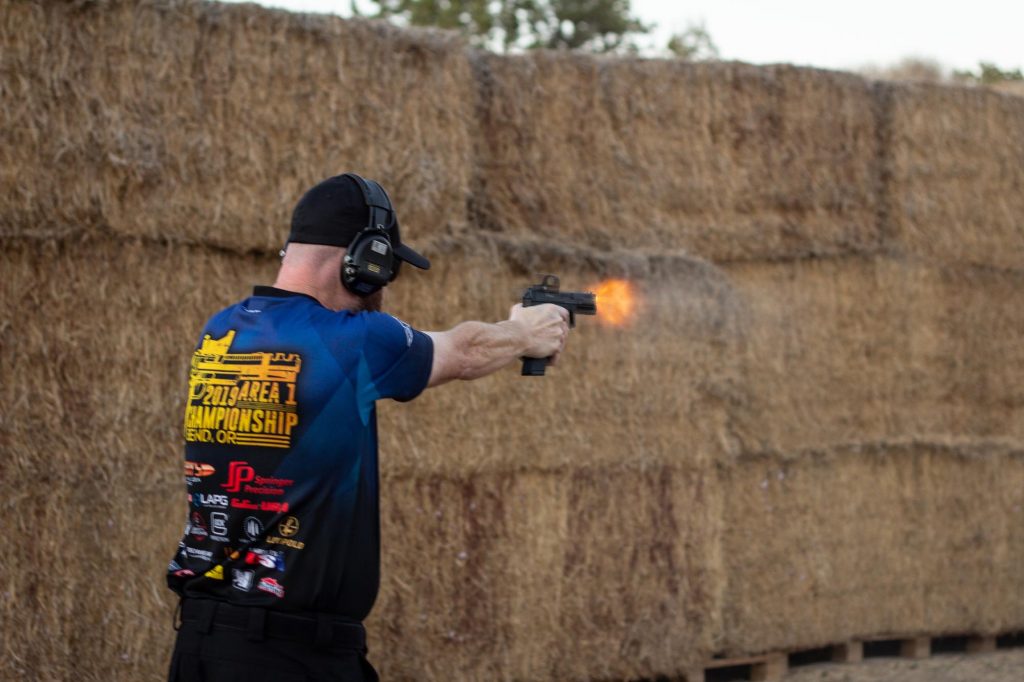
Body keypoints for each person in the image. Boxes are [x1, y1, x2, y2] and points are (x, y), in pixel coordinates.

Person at [166, 173, 570, 681]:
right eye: (385, 269)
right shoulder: (355, 340)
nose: (381, 288)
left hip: (204, 646)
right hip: (290, 656)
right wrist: (526, 331)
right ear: (364, 259)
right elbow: (463, 351)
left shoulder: (222, 330)